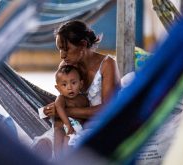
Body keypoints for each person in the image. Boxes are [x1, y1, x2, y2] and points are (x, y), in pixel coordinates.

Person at [33, 20, 120, 160]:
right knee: (41, 147)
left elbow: (107, 110)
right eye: (59, 49)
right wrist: (56, 109)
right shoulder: (66, 66)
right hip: (73, 126)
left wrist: (64, 111)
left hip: (99, 128)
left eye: (66, 49)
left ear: (83, 45)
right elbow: (64, 100)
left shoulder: (107, 65)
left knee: (72, 150)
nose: (62, 55)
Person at [53, 64, 89, 158]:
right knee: (58, 134)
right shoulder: (61, 98)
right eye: (64, 85)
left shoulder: (84, 99)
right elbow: (59, 108)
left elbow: (87, 115)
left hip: (77, 130)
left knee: (68, 141)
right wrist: (68, 124)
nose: (69, 87)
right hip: (63, 127)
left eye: (73, 83)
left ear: (81, 84)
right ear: (58, 88)